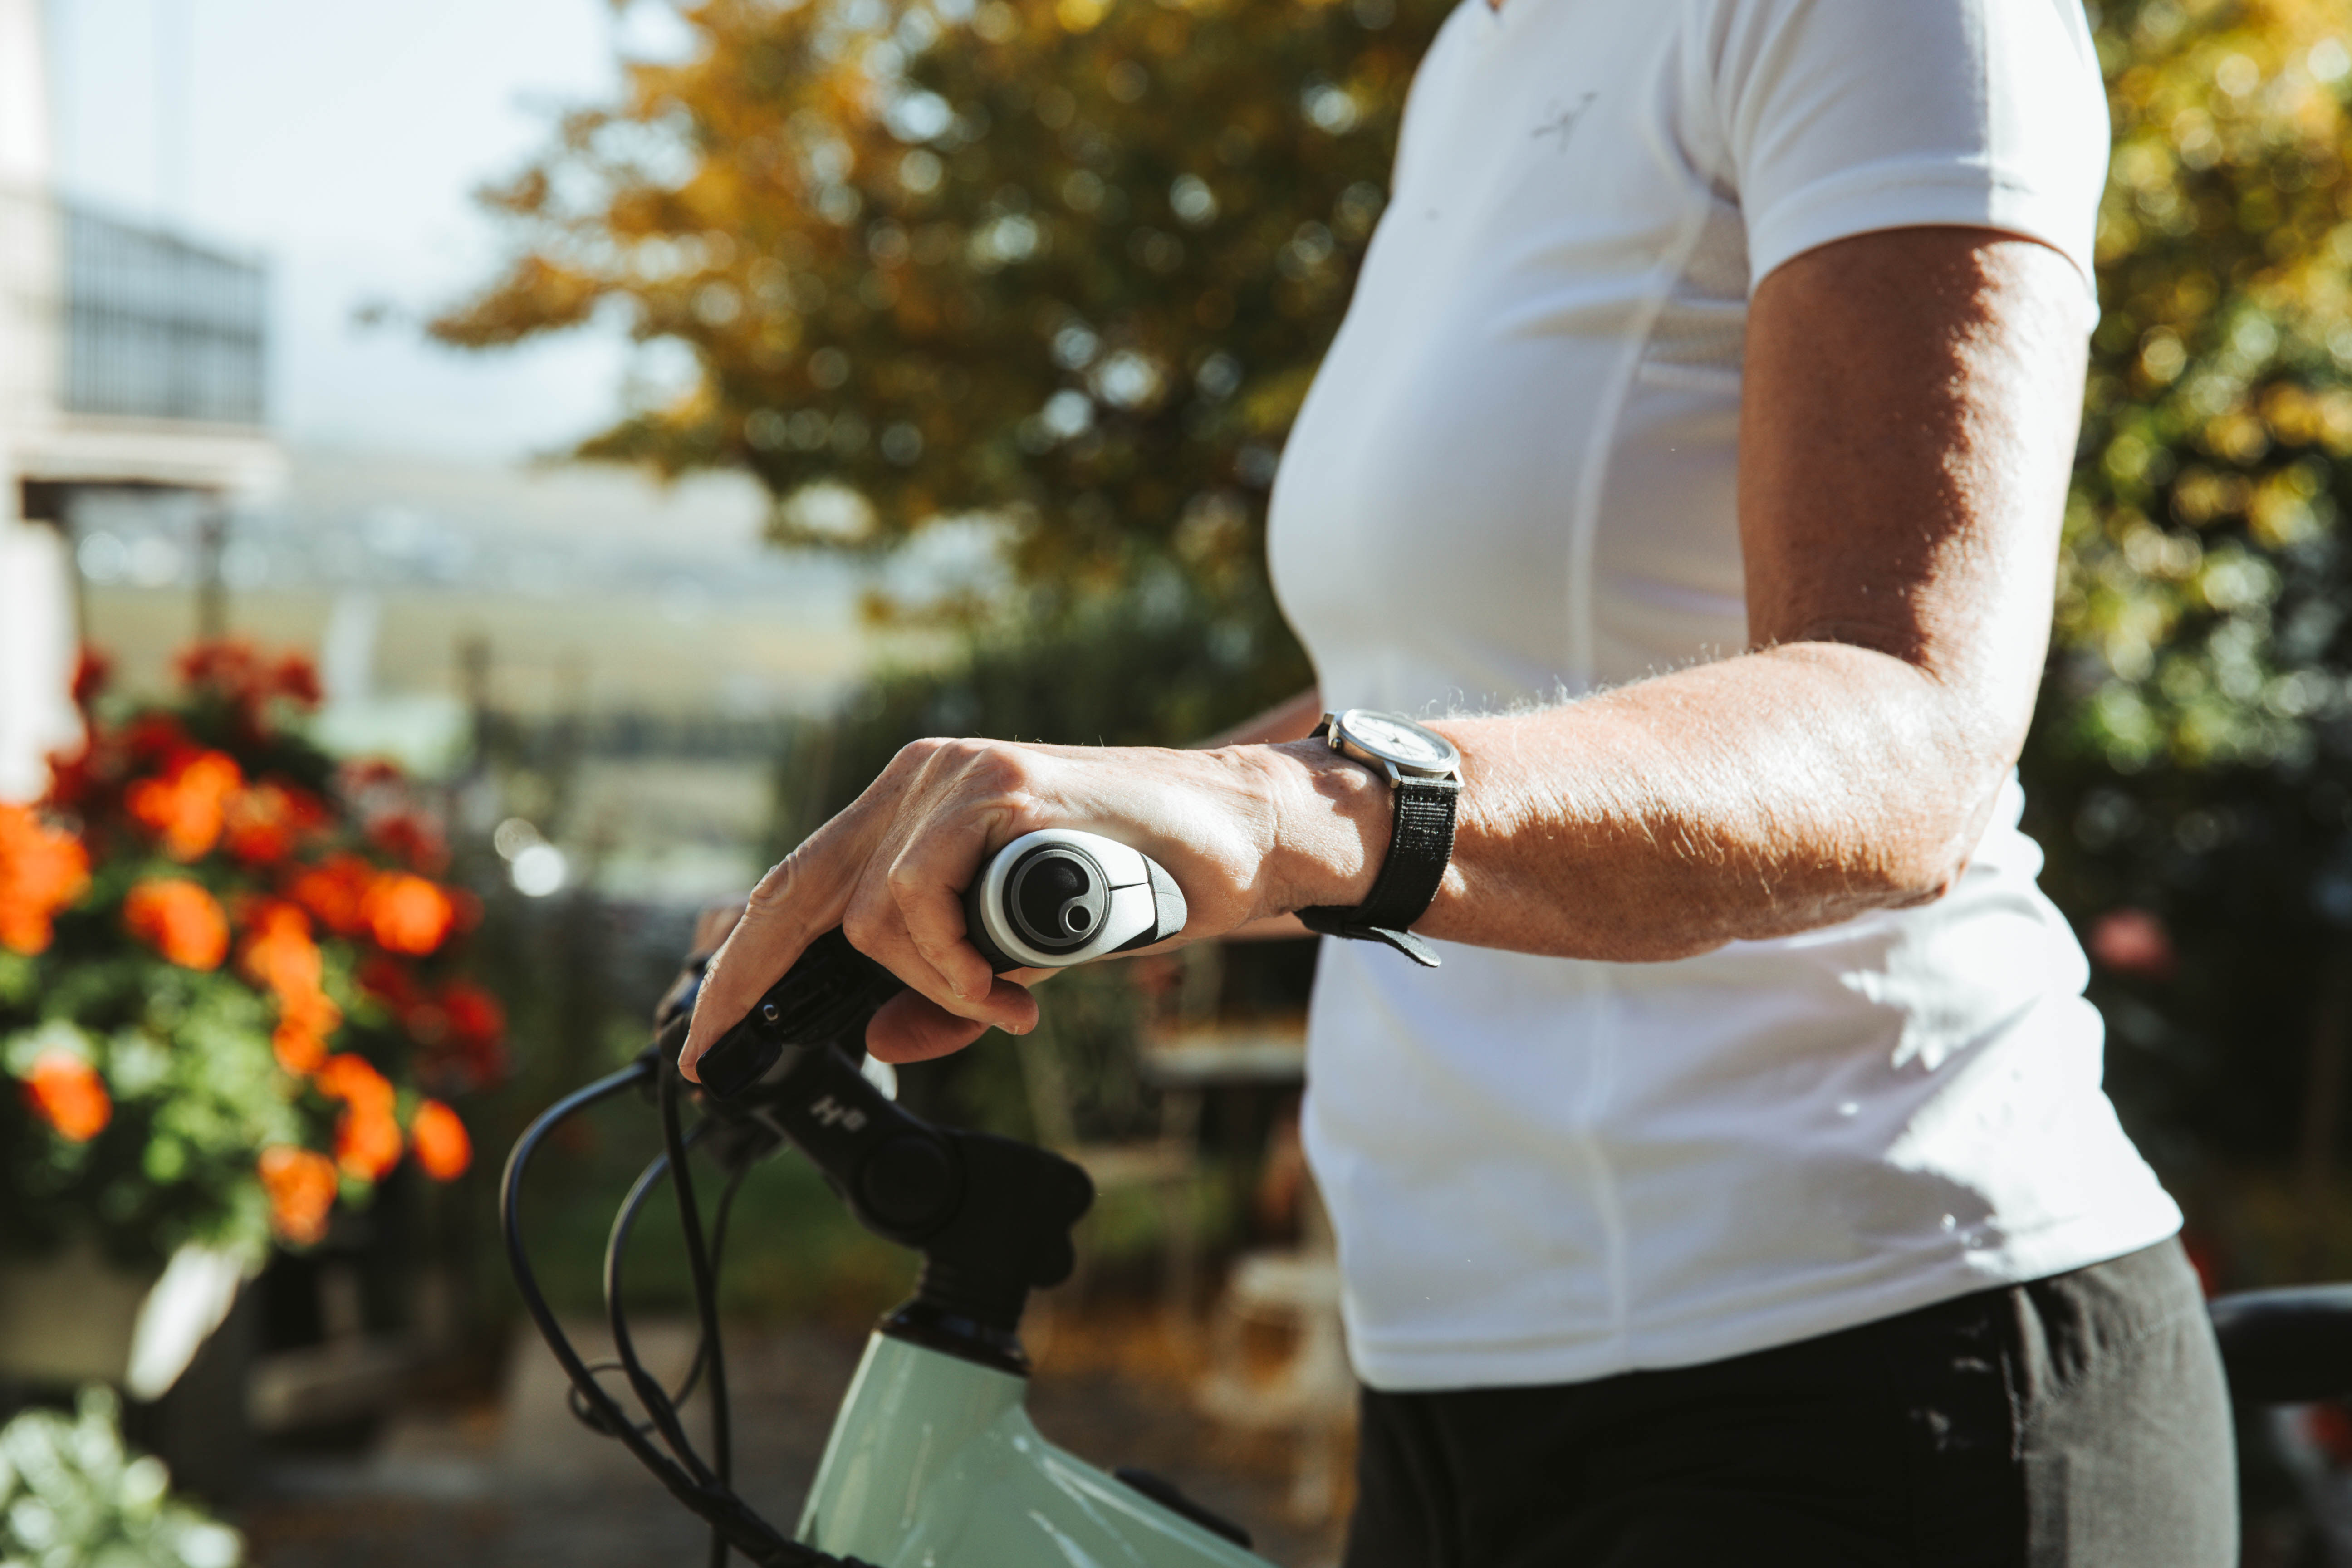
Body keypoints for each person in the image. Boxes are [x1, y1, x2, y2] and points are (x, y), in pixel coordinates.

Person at [683, 0, 2236, 1560]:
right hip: (1448, 1373)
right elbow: (1438, 682)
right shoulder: (1480, 60)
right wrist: (1046, 842)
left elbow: (1911, 738)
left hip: (1867, 1358)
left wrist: (1278, 817)